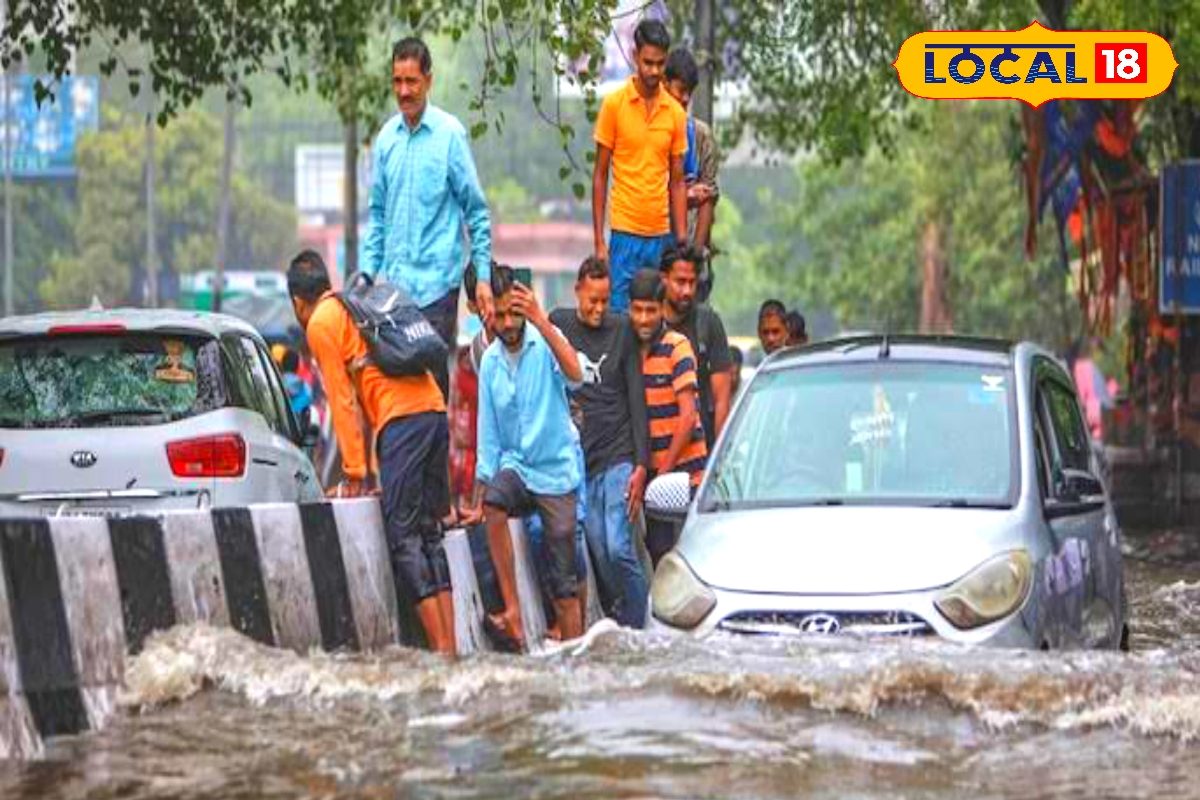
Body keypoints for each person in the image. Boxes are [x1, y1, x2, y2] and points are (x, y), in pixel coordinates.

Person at [286, 250, 456, 655]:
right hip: (433, 410)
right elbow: (363, 399)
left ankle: (441, 648)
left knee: (403, 537)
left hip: (403, 421)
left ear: (296, 301)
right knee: (430, 533)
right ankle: (452, 649)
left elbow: (342, 402)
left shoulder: (321, 323)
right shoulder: (355, 307)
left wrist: (355, 472)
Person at [363, 36, 493, 399]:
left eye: (412, 82)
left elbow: (476, 212)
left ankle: (436, 457)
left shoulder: (450, 135)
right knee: (399, 397)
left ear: (428, 81)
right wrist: (364, 276)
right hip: (394, 293)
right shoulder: (386, 139)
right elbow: (377, 216)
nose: (404, 91)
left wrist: (482, 276)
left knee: (432, 395)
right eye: (397, 82)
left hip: (438, 290)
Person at [468, 266, 587, 648]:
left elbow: (577, 375)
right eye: (499, 316)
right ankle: (513, 611)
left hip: (555, 472)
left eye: (513, 314)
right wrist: (477, 498)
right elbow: (487, 439)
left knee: (565, 586)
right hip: (517, 467)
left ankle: (575, 652)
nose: (507, 323)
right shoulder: (490, 361)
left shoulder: (544, 341)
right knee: (495, 503)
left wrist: (541, 320)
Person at [549, 257, 651, 628]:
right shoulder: (558, 323)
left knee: (618, 547)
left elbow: (636, 397)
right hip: (581, 461)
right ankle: (618, 614)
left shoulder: (622, 329)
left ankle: (641, 627)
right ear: (577, 291)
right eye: (592, 300)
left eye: (605, 300)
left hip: (619, 454)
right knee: (594, 544)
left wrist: (642, 465)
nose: (598, 309)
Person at [592, 18, 688, 313]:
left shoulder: (674, 113)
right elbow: (600, 175)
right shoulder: (614, 105)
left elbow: (678, 181)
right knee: (621, 318)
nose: (654, 71)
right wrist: (599, 241)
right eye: (648, 62)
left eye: (660, 64)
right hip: (623, 233)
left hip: (661, 236)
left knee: (658, 320)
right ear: (635, 56)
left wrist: (682, 241)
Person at [628, 268, 707, 566]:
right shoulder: (629, 350)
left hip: (686, 478)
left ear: (662, 309)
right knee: (659, 556)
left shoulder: (677, 346)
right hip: (652, 481)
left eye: (651, 310)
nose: (645, 318)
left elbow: (688, 417)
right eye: (638, 310)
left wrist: (662, 474)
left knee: (685, 561)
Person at [659, 245, 732, 449]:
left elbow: (721, 401)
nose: (687, 291)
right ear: (663, 278)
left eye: (692, 283)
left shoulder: (708, 323)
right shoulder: (648, 324)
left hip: (700, 450)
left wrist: (718, 460)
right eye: (680, 282)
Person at [663, 47, 720, 256]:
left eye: (690, 93)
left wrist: (694, 253)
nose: (685, 99)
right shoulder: (649, 131)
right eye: (681, 90)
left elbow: (709, 194)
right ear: (665, 84)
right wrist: (684, 196)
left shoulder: (701, 135)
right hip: (653, 236)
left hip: (688, 240)